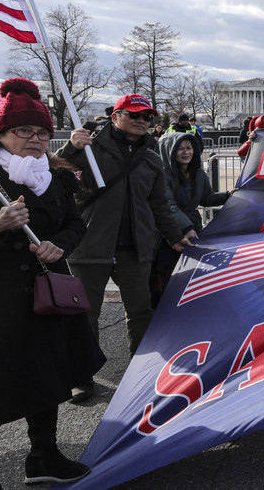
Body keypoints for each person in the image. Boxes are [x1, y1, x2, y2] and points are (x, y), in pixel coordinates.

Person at [0, 77, 105, 488]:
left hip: (46, 299)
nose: (35, 139)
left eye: (43, 131)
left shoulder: (59, 176)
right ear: (1, 133)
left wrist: (58, 245)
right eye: (23, 130)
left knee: (47, 384)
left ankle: (44, 457)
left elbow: (72, 224)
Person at [57, 93, 191, 402]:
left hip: (136, 247)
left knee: (141, 311)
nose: (143, 121)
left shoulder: (152, 157)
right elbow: (59, 177)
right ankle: (82, 376)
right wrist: (71, 149)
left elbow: (159, 205)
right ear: (116, 116)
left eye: (147, 117)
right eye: (135, 115)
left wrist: (174, 235)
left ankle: (142, 373)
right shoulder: (89, 147)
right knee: (85, 315)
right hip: (90, 245)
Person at [151, 131, 232, 306]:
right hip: (166, 235)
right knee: (166, 278)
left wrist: (229, 195)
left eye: (189, 148)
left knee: (189, 277)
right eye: (179, 149)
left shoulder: (198, 173)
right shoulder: (162, 174)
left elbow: (207, 199)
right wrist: (186, 227)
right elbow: (168, 205)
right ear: (169, 151)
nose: (186, 152)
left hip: (192, 230)